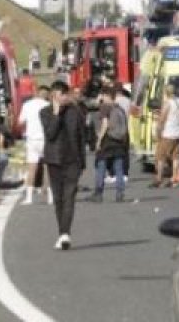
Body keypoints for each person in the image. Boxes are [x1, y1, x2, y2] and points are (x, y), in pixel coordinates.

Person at [41, 81, 86, 250]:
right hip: (54, 160)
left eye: (64, 95)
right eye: (58, 96)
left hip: (72, 161)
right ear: (52, 97)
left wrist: (82, 161)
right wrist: (56, 114)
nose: (61, 98)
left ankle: (66, 233)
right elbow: (50, 134)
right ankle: (62, 233)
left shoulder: (75, 112)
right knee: (58, 199)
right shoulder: (44, 113)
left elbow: (81, 136)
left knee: (69, 197)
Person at [89, 87, 129, 202]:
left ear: (106, 96)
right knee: (119, 168)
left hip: (108, 141)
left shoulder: (105, 107)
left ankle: (98, 193)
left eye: (102, 95)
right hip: (119, 142)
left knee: (101, 166)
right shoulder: (119, 108)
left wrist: (99, 140)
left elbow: (105, 124)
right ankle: (120, 193)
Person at [18, 85, 51, 205]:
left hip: (32, 139)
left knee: (32, 168)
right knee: (47, 168)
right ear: (46, 95)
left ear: (36, 93)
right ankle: (50, 197)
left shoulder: (27, 105)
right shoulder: (48, 105)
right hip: (45, 139)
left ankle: (29, 197)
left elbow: (20, 121)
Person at [154, 84, 179, 188]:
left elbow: (162, 120)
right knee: (176, 157)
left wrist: (158, 132)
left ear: (166, 92)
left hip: (168, 133)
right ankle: (174, 179)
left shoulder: (168, 103)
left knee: (161, 157)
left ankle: (159, 179)